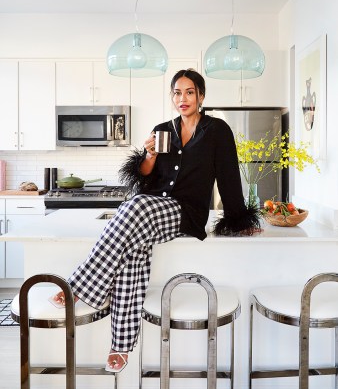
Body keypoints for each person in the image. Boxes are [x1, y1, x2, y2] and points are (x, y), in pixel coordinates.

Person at [51, 68, 261, 373]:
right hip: (151, 207)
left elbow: (228, 176)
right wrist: (148, 157)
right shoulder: (163, 128)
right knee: (133, 249)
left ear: (201, 96)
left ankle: (79, 286)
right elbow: (146, 178)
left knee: (133, 207)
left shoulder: (217, 130)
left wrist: (239, 219)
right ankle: (121, 344)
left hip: (185, 212)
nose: (183, 98)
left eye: (190, 92)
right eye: (177, 92)